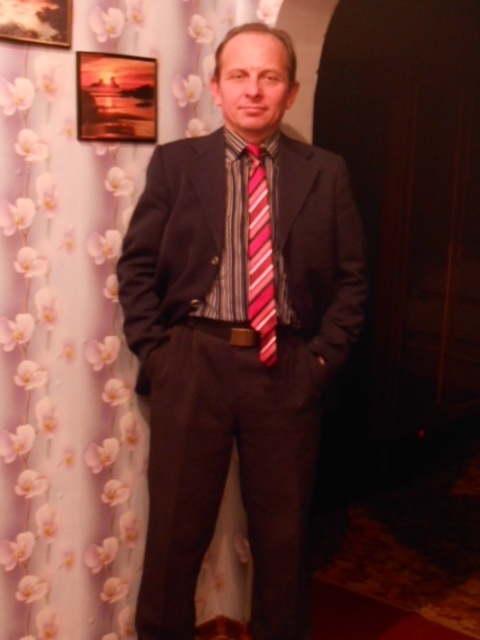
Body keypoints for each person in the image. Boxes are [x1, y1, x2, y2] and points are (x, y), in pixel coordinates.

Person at [116, 22, 367, 640]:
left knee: (284, 540)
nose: (253, 89)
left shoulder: (326, 171)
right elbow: (136, 267)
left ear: (291, 90)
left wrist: (319, 364)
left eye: (269, 77)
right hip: (192, 365)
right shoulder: (176, 164)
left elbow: (352, 280)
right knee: (174, 537)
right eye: (239, 76)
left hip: (287, 370)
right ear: (217, 88)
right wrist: (160, 354)